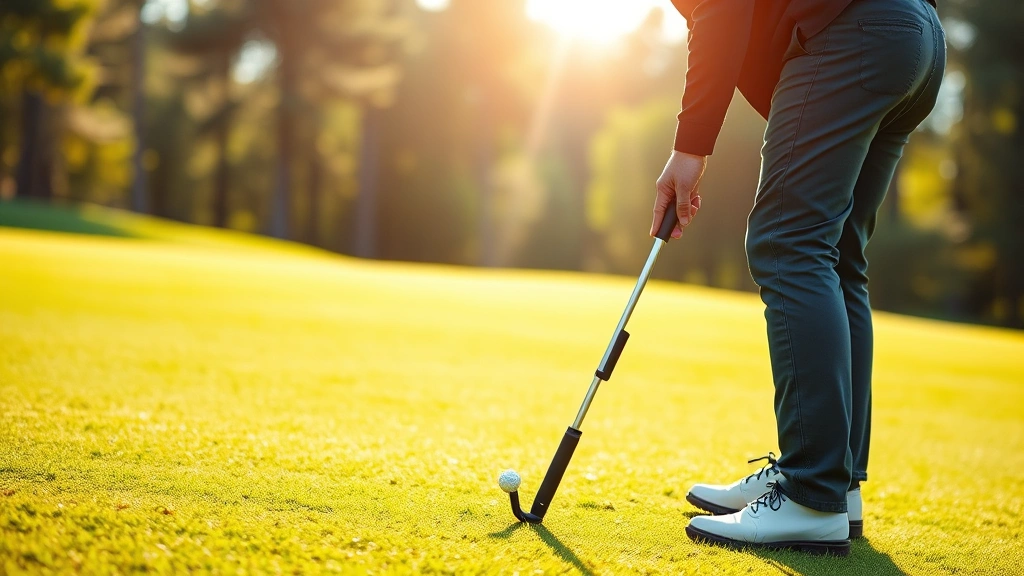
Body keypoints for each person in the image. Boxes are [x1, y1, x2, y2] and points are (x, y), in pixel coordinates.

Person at [650, 0, 945, 555]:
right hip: (914, 33)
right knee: (837, 256)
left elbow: (721, 10)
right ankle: (837, 483)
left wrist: (690, 147)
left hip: (854, 33)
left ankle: (811, 493)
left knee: (788, 241)